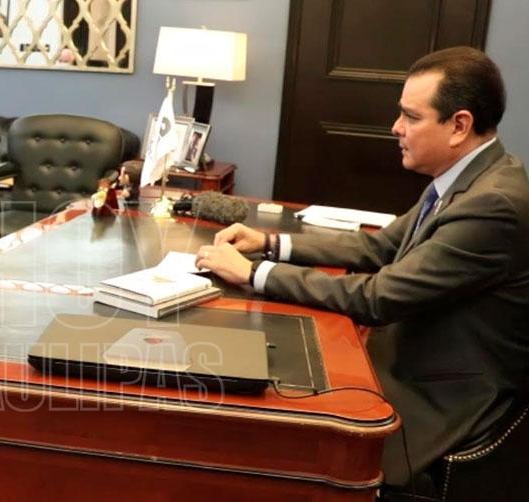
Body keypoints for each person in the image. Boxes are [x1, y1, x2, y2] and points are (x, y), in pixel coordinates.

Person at [195, 47, 529, 494]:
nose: (396, 128)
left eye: (411, 116)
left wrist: (255, 274)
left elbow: (378, 297)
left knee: (267, 422)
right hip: (404, 357)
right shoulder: (467, 178)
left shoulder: (493, 205)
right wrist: (271, 244)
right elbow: (380, 246)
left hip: (436, 396)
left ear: (459, 125)